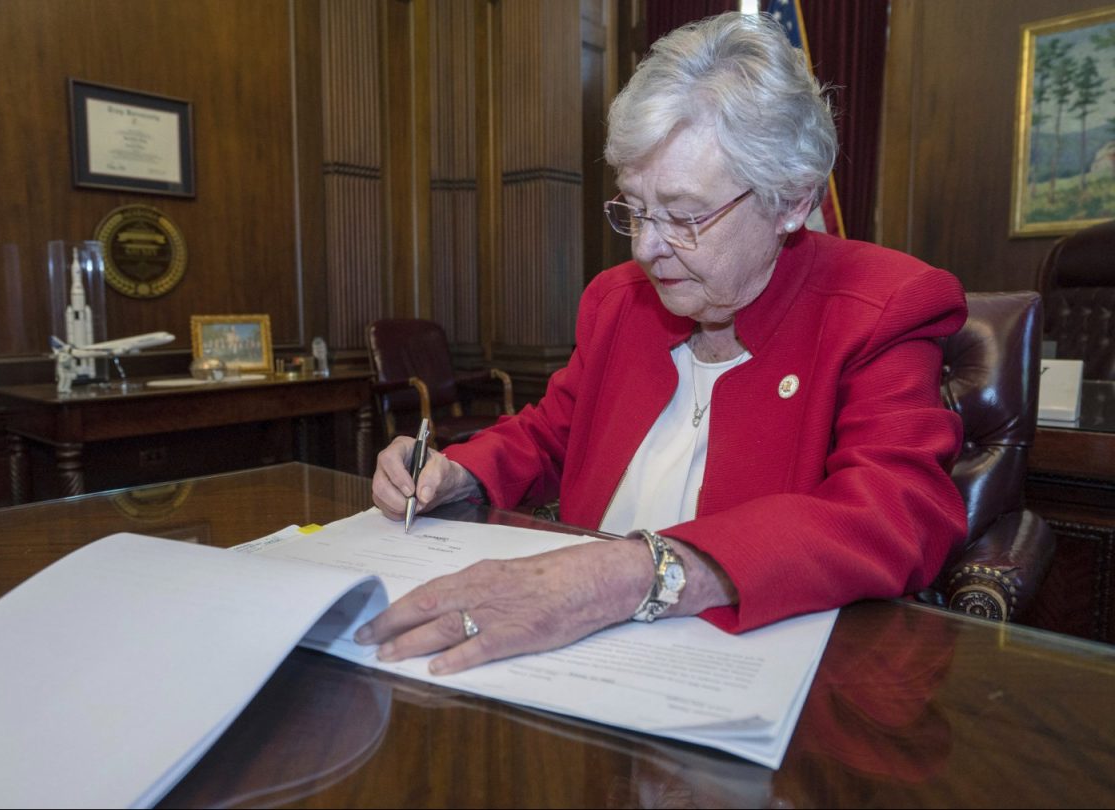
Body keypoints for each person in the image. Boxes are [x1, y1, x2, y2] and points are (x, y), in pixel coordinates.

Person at [357, 12, 967, 676]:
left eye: (684, 215)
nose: (647, 248)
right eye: (636, 208)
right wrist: (458, 472)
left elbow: (897, 514)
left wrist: (631, 572)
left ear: (792, 201)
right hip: (580, 659)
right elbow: (553, 434)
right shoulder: (619, 301)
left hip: (758, 673)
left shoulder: (883, 306)